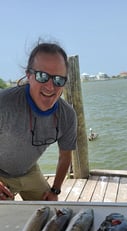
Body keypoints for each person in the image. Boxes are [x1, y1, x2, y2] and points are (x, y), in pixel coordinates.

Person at [0, 41, 77, 201]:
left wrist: (55, 190)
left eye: (58, 80)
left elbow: (65, 156)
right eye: (42, 76)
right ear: (29, 75)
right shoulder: (4, 103)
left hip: (29, 171)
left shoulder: (67, 115)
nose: (50, 87)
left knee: (49, 211)